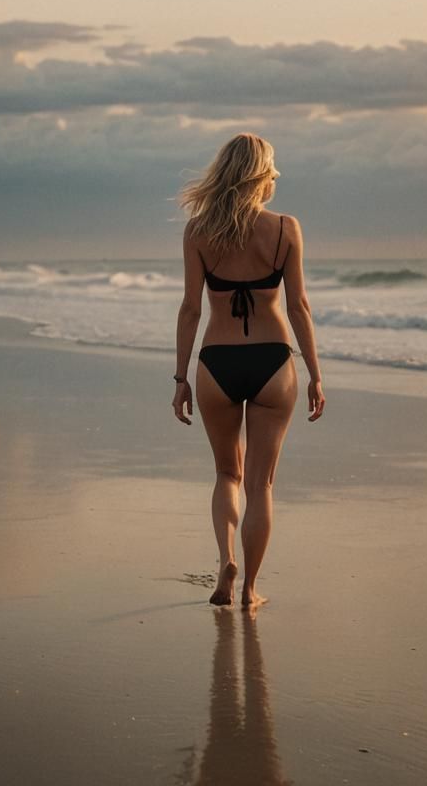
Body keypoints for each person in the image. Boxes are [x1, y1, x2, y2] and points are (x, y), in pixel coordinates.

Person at [173, 133, 325, 609]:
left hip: (217, 362)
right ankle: (252, 590)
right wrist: (316, 374)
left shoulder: (198, 231)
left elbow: (191, 310)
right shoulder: (285, 228)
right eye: (273, 167)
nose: (277, 175)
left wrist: (180, 379)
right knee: (261, 484)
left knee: (226, 475)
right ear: (261, 174)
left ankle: (226, 563)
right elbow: (298, 306)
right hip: (273, 362)